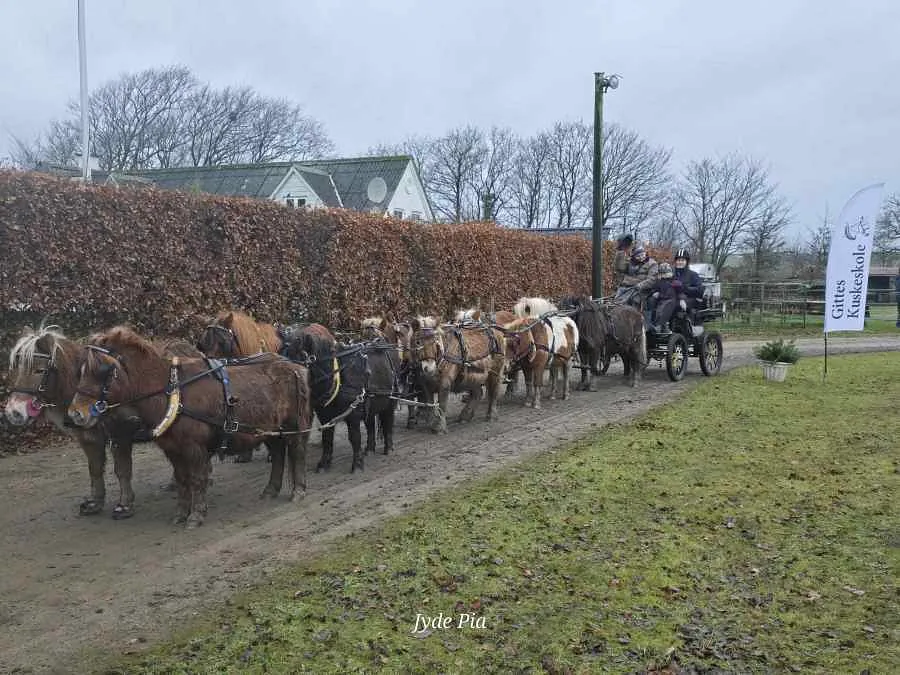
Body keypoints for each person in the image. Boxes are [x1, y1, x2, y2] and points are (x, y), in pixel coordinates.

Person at [615, 246, 659, 325]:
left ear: (645, 253)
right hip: (626, 287)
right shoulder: (630, 263)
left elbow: (652, 279)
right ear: (634, 257)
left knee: (633, 300)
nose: (641, 257)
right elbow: (619, 268)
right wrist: (620, 253)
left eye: (643, 254)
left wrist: (640, 285)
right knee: (616, 302)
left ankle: (634, 322)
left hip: (642, 290)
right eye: (638, 256)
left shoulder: (652, 264)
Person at [671, 248, 705, 314]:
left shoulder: (693, 274)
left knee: (676, 305)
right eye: (678, 260)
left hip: (690, 298)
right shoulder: (672, 274)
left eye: (682, 260)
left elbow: (700, 290)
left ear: (686, 262)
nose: (680, 262)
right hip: (674, 298)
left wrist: (685, 288)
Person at [648, 262, 678, 332]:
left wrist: (660, 294)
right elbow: (654, 288)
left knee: (663, 307)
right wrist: (654, 293)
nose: (665, 275)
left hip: (670, 299)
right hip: (660, 298)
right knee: (650, 301)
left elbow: (670, 292)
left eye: (666, 273)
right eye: (662, 274)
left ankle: (661, 325)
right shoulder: (659, 281)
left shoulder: (673, 281)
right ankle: (650, 322)